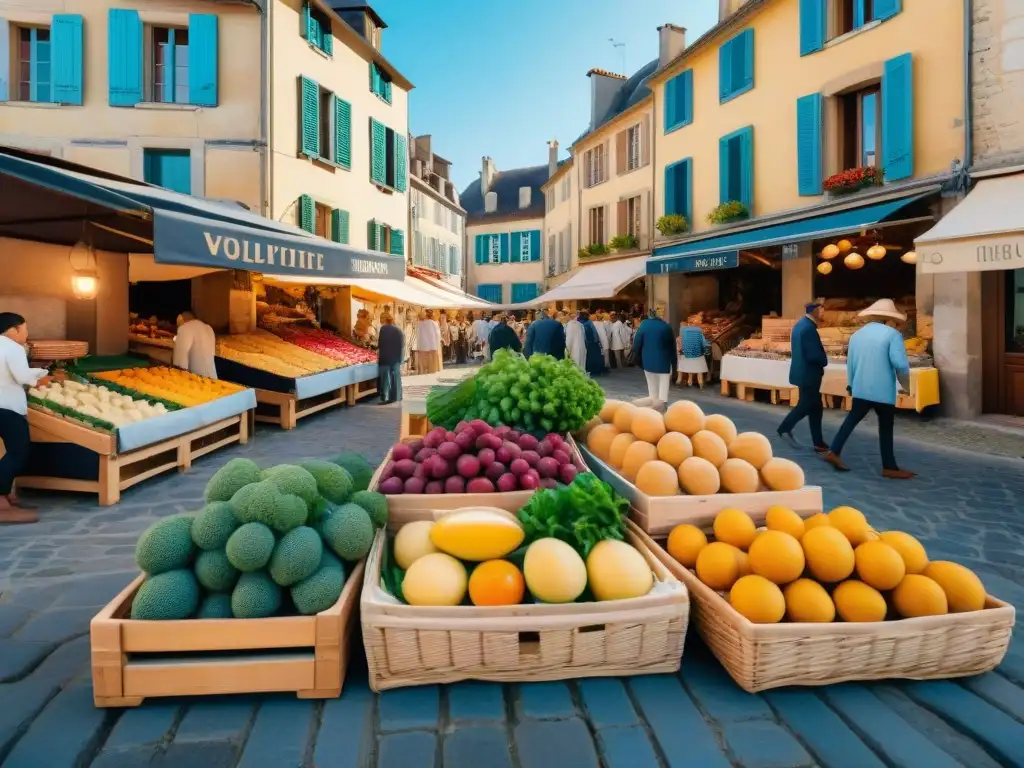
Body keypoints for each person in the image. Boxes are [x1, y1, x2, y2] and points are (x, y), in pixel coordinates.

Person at [822, 299, 915, 479]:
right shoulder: (892, 335)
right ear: (889, 319)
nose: (896, 325)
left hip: (861, 388)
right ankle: (889, 466)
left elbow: (851, 364)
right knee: (886, 427)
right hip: (882, 391)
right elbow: (901, 364)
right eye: (895, 322)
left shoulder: (857, 335)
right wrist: (906, 385)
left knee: (851, 420)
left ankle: (834, 451)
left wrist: (852, 384)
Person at [0, 313, 50, 523]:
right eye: (25, 328)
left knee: (11, 453)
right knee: (18, 453)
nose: (26, 333)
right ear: (14, 329)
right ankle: (1, 502)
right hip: (8, 407)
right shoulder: (13, 348)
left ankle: (8, 498)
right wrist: (43, 377)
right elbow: (22, 377)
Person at [776, 302, 829, 452]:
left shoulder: (800, 325)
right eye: (822, 310)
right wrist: (824, 360)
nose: (824, 313)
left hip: (802, 372)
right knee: (806, 406)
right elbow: (813, 355)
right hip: (809, 374)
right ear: (816, 311)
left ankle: (818, 442)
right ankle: (784, 428)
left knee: (816, 408)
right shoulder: (809, 329)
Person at [631, 309, 677, 409]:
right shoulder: (666, 327)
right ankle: (661, 410)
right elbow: (672, 348)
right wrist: (674, 364)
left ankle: (652, 412)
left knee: (652, 391)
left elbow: (636, 344)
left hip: (647, 362)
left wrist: (636, 358)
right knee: (663, 393)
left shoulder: (643, 325)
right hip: (664, 364)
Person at [173, 310, 217, 379]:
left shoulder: (184, 328)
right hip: (213, 379)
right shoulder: (209, 328)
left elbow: (180, 364)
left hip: (196, 381)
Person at [376, 313, 404, 404]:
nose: (380, 320)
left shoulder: (383, 329)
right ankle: (397, 396)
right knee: (395, 376)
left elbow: (380, 344)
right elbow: (401, 345)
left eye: (381, 318)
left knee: (385, 377)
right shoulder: (399, 330)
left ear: (384, 319)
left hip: (386, 356)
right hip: (396, 356)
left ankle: (385, 397)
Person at [676, 322, 712, 388]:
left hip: (686, 356)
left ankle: (688, 382)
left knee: (689, 367)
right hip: (698, 356)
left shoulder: (683, 335)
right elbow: (705, 344)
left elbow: (680, 348)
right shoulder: (700, 334)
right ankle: (700, 383)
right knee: (699, 372)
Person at [414, 309, 442, 374]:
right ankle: (431, 371)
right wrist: (437, 343)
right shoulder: (435, 323)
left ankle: (423, 371)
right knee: (431, 362)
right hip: (433, 345)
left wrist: (418, 345)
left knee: (423, 361)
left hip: (423, 345)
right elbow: (438, 335)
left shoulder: (420, 324)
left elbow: (418, 334)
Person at [580, 311, 606, 377]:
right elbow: (594, 332)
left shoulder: (580, 323)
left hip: (586, 343)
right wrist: (597, 341)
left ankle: (590, 369)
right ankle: (597, 370)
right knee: (595, 356)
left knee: (588, 356)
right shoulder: (589, 322)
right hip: (593, 342)